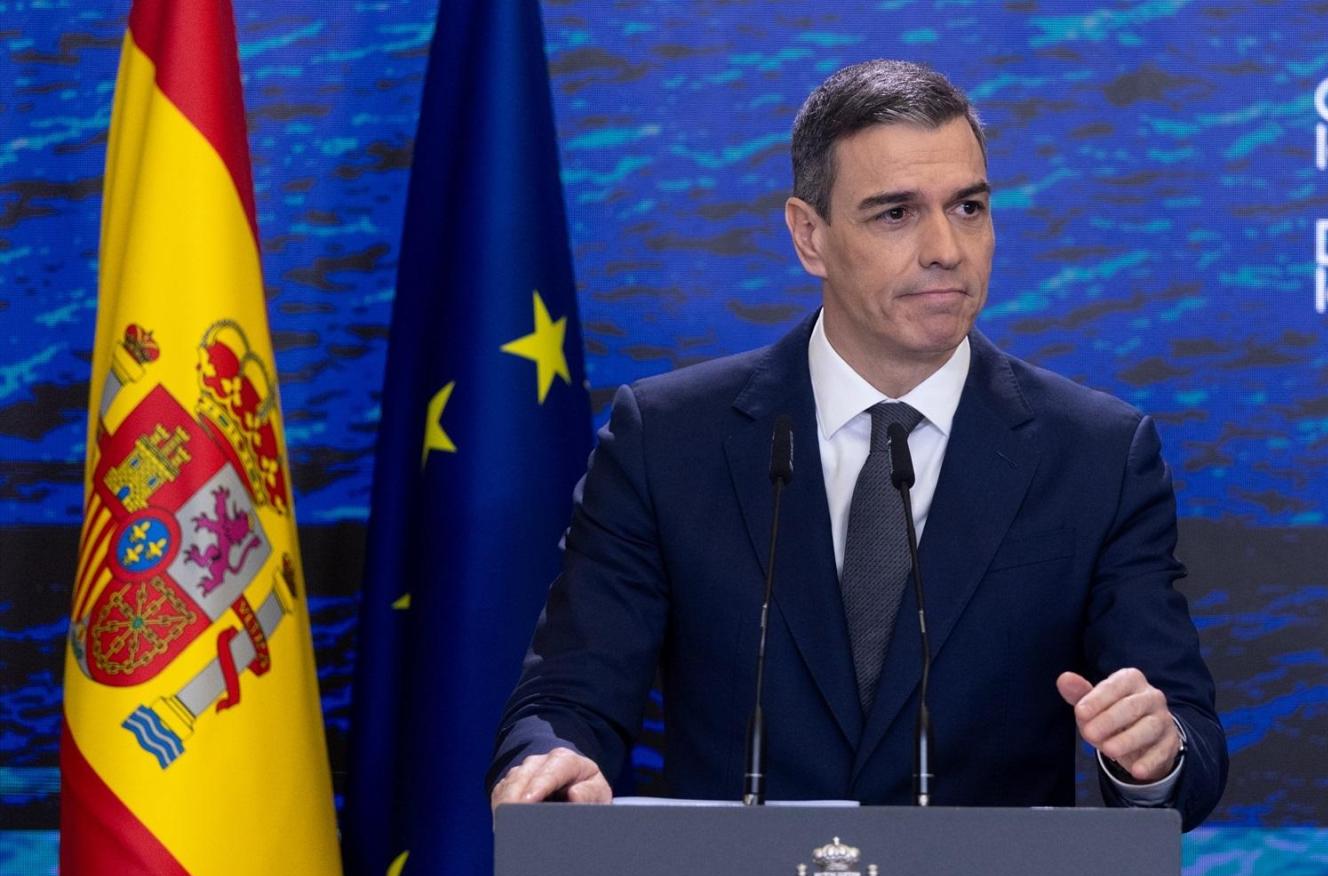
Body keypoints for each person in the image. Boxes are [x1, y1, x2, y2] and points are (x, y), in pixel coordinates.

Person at [487, 59, 1226, 828]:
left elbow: (1189, 740)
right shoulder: (667, 440)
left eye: (968, 207)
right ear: (810, 236)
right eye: (896, 214)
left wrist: (1154, 753)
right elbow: (568, 697)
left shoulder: (1098, 456)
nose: (946, 248)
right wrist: (554, 762)